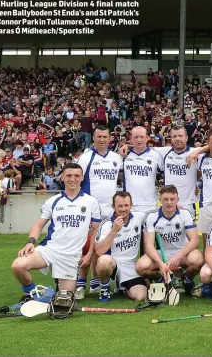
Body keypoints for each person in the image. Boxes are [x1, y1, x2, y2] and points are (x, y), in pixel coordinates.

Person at [11, 163, 101, 300]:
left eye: (77, 176)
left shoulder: (91, 202)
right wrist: (30, 242)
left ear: (82, 178)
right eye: (69, 175)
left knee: (64, 301)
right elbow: (39, 224)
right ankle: (31, 294)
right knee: (18, 265)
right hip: (50, 249)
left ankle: (54, 292)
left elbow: (95, 231)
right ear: (62, 178)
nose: (73, 179)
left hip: (71, 256)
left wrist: (89, 254)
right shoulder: (53, 201)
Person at [77, 125, 123, 297]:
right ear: (93, 138)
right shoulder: (85, 157)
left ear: (110, 137)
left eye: (105, 136)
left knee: (100, 248)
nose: (102, 139)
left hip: (109, 212)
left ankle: (95, 282)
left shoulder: (117, 158)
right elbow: (78, 182)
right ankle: (81, 283)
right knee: (85, 247)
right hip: (90, 211)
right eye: (99, 136)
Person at [135, 185, 203, 296]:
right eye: (165, 199)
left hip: (182, 253)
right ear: (160, 200)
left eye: (172, 199)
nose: (169, 202)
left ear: (178, 200)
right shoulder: (152, 216)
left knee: (198, 259)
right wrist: (160, 263)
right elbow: (148, 245)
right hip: (162, 254)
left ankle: (187, 279)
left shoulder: (185, 214)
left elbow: (195, 240)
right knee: (141, 266)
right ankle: (161, 278)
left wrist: (177, 257)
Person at [95, 192, 147, 303]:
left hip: (131, 265)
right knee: (103, 261)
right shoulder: (107, 224)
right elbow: (99, 251)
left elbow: (155, 214)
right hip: (113, 264)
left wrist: (177, 208)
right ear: (113, 206)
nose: (123, 209)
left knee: (140, 297)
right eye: (120, 206)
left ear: (131, 206)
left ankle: (122, 287)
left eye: (126, 205)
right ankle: (105, 287)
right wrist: (114, 230)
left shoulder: (139, 217)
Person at [123, 126, 163, 212]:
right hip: (129, 205)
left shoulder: (156, 155)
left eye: (142, 137)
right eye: (136, 137)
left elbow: (167, 174)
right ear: (131, 138)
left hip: (150, 204)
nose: (139, 140)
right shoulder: (124, 155)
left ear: (147, 138)